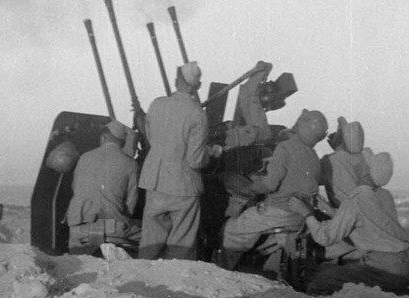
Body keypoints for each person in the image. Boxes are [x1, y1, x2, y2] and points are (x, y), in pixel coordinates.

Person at [289, 148, 409, 295]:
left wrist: (306, 213)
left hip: (382, 271)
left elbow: (325, 237)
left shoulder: (356, 200)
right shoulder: (385, 195)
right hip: (401, 267)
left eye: (359, 165)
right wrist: (328, 209)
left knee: (320, 283)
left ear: (365, 173)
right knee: (333, 273)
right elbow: (363, 220)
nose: (355, 167)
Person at [217, 109, 328, 270]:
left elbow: (270, 185)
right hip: (299, 218)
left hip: (278, 214)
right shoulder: (314, 156)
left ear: (301, 125)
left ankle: (221, 271)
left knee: (230, 230)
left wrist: (254, 184)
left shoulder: (285, 148)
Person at [138, 61, 221, 260]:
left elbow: (152, 139)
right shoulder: (198, 114)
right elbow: (195, 159)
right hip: (184, 187)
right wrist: (211, 152)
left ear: (176, 81)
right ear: (197, 86)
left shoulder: (156, 104)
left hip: (155, 182)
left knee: (150, 243)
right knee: (180, 249)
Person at [66, 119, 141, 253]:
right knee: (151, 234)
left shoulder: (84, 158)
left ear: (103, 137)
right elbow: (130, 206)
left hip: (80, 229)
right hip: (113, 229)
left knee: (78, 255)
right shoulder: (131, 164)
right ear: (123, 142)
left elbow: (75, 188)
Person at [321, 116, 373, 208]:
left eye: (338, 132)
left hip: (343, 211)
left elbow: (312, 176)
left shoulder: (331, 160)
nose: (333, 134)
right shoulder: (364, 159)